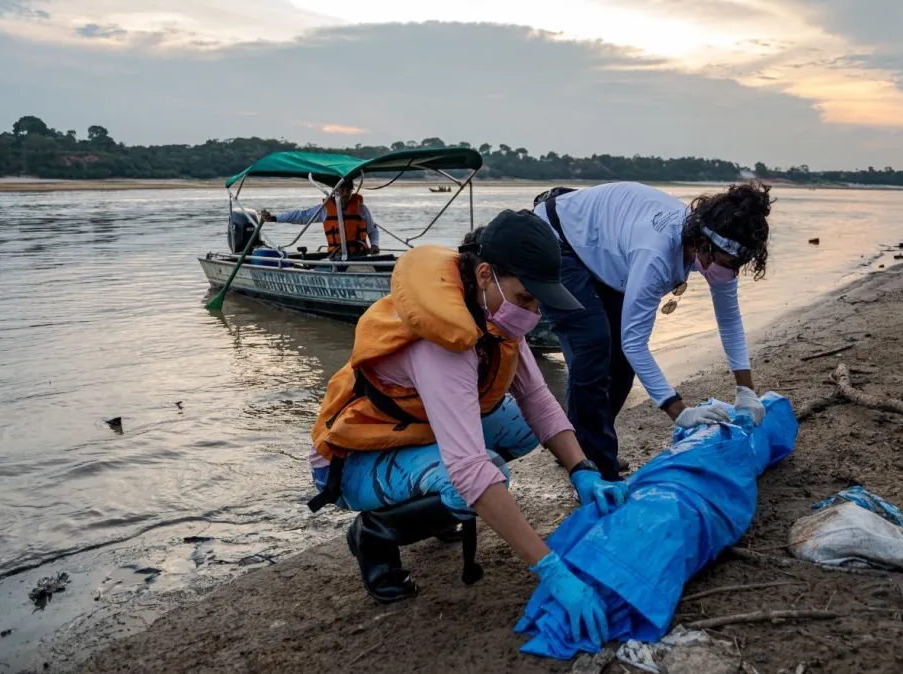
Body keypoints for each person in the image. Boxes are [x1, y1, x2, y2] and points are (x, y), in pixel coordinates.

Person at [306, 209, 626, 646]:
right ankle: (375, 535)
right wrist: (551, 569)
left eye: (538, 301)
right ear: (485, 274)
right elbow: (473, 471)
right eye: (526, 297)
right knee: (476, 478)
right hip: (352, 462)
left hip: (412, 432)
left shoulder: (493, 314)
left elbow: (537, 400)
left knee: (523, 427)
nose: (534, 312)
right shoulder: (443, 343)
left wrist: (583, 469)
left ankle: (433, 505)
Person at [533, 181, 772, 482]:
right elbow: (636, 343)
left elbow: (729, 320)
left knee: (620, 363)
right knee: (592, 346)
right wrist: (680, 412)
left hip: (610, 249)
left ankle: (583, 448)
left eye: (739, 266)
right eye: (729, 264)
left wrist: (746, 390)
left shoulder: (719, 245)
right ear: (704, 246)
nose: (733, 273)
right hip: (557, 238)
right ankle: (597, 469)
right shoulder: (656, 252)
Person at [260, 180, 380, 258]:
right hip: (336, 255)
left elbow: (373, 230)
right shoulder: (325, 209)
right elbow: (301, 216)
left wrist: (374, 244)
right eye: (341, 190)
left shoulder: (362, 209)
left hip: (360, 255)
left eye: (348, 190)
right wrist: (275, 218)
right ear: (335, 192)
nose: (345, 194)